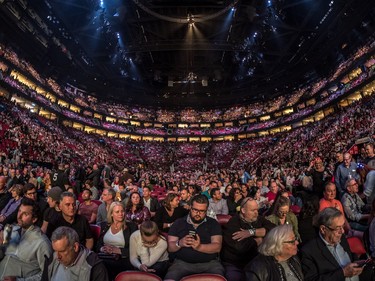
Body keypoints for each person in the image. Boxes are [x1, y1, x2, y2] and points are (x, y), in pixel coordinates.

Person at [300, 207, 374, 281]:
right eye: (338, 228)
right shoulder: (309, 251)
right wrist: (343, 273)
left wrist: (357, 263)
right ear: (323, 229)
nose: (342, 231)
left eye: (343, 226)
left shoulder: (341, 238)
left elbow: (349, 255)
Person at [165, 195, 224, 281]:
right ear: (190, 208)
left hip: (209, 264)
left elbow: (217, 247)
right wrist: (180, 243)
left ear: (206, 210)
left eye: (202, 211)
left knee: (219, 278)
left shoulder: (213, 223)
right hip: (182, 263)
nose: (198, 213)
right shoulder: (178, 223)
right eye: (195, 210)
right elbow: (170, 248)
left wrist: (199, 247)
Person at [221, 197, 276, 281]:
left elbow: (274, 230)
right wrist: (260, 240)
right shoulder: (233, 223)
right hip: (236, 264)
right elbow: (240, 247)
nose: (256, 213)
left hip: (257, 260)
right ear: (243, 210)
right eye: (252, 210)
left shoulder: (259, 219)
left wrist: (252, 232)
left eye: (257, 210)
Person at [0, 198, 52, 280]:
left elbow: (48, 274)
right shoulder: (10, 230)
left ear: (34, 219)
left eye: (25, 214)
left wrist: (19, 280)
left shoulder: (41, 242)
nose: (19, 216)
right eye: (19, 211)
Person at [42, 226, 108, 281]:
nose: (57, 256)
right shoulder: (51, 259)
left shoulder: (95, 267)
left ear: (75, 247)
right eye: (55, 251)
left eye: (62, 251)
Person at [96, 202, 137, 280]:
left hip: (122, 259)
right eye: (117, 212)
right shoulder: (105, 226)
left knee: (103, 266)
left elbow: (135, 250)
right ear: (111, 214)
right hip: (105, 256)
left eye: (122, 211)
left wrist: (118, 250)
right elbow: (97, 244)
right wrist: (103, 249)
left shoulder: (131, 226)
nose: (121, 214)